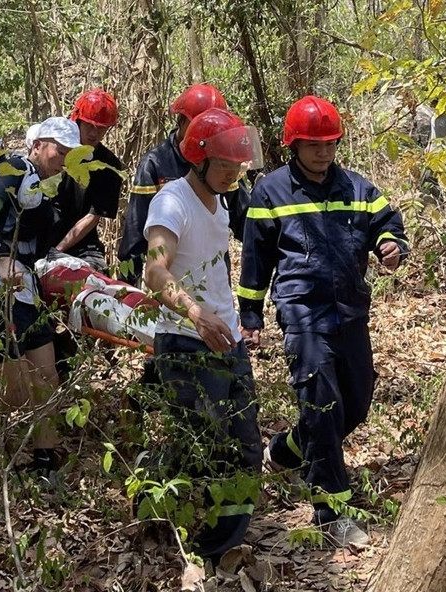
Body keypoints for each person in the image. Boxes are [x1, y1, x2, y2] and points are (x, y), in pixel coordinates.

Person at [236, 95, 408, 547]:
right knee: (323, 407)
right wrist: (249, 313)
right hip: (302, 313)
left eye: (330, 142)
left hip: (351, 312)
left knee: (356, 404)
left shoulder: (357, 188)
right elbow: (255, 259)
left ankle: (284, 450)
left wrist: (391, 245)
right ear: (294, 144)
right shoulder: (270, 191)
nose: (323, 152)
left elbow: (388, 223)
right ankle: (332, 511)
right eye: (314, 144)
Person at [143, 108, 264, 561]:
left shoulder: (223, 201)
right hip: (185, 341)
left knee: (246, 445)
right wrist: (195, 313)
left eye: (238, 169)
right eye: (225, 168)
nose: (233, 177)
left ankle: (221, 544)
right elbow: (154, 271)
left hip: (226, 338)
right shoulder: (171, 202)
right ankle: (153, 493)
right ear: (198, 159)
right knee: (206, 447)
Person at [0, 117, 82, 473]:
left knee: (48, 379)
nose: (63, 159)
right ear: (38, 145)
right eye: (59, 151)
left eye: (68, 153)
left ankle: (47, 459)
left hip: (26, 291)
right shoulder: (13, 168)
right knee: (15, 392)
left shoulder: (47, 186)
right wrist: (0, 257)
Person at [118, 84, 251, 285]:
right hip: (173, 285)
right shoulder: (156, 163)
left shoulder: (224, 162)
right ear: (181, 121)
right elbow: (135, 233)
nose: (207, 132)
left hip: (215, 281)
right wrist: (127, 289)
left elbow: (245, 222)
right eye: (198, 122)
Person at [51, 89, 124, 272]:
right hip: (43, 235)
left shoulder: (109, 165)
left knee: (96, 277)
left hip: (84, 246)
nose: (94, 133)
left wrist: (58, 251)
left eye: (101, 128)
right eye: (89, 126)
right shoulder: (54, 150)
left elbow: (93, 216)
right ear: (78, 120)